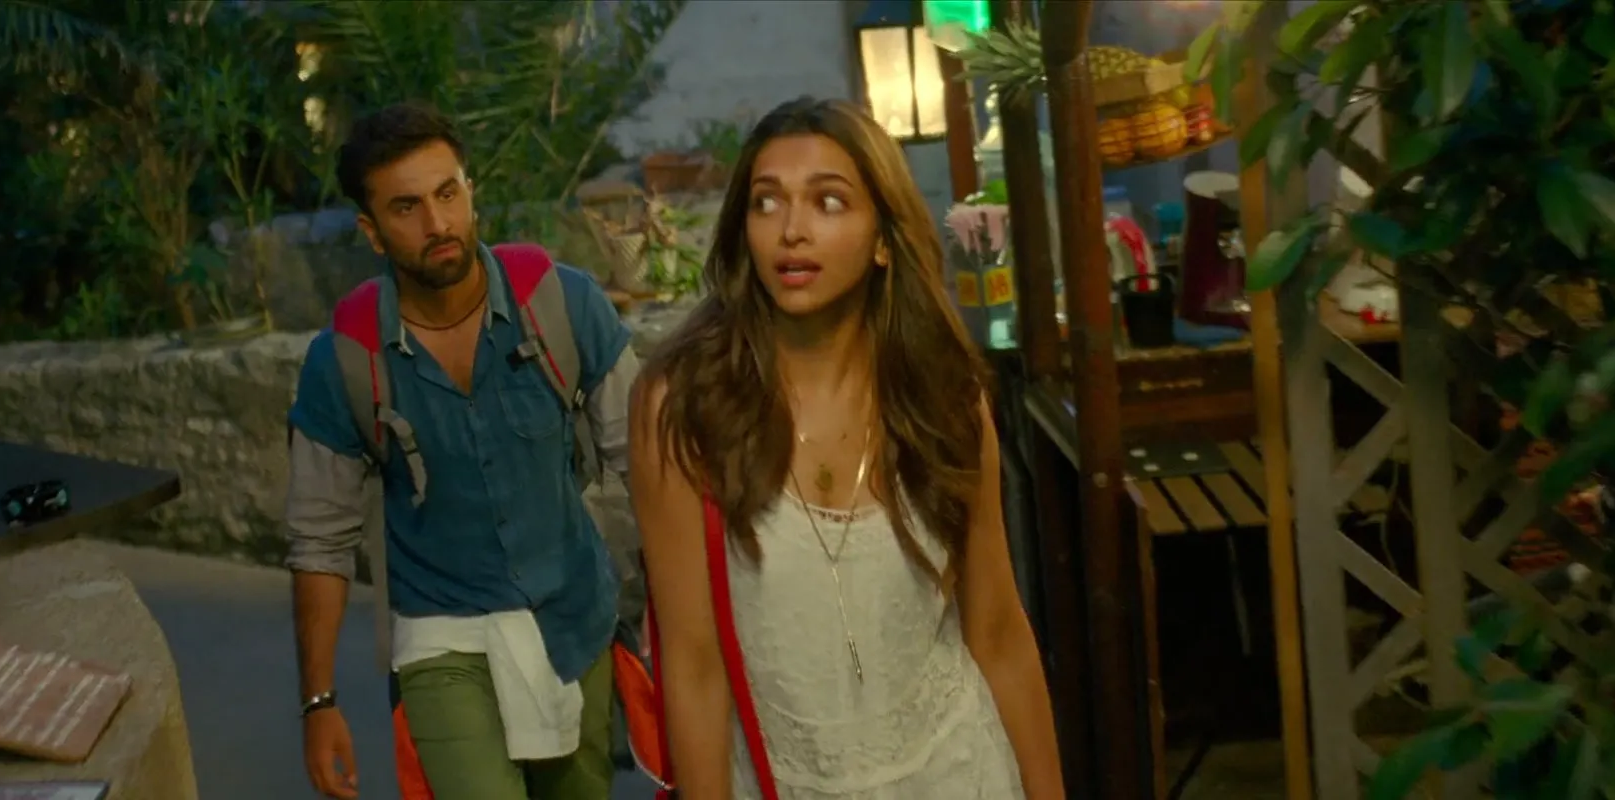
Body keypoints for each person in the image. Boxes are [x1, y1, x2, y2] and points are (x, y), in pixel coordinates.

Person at [630, 96, 1066, 799]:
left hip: (961, 772)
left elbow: (997, 632)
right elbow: (692, 666)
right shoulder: (684, 408)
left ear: (883, 239)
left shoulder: (943, 400)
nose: (791, 231)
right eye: (766, 203)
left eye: (828, 202)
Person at [282, 102, 640, 800]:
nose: (437, 223)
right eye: (406, 207)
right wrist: (318, 704)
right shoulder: (345, 360)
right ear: (372, 231)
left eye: (447, 194)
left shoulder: (562, 305)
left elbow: (648, 465)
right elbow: (319, 540)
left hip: (573, 619)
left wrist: (684, 633)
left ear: (470, 191)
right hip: (441, 633)